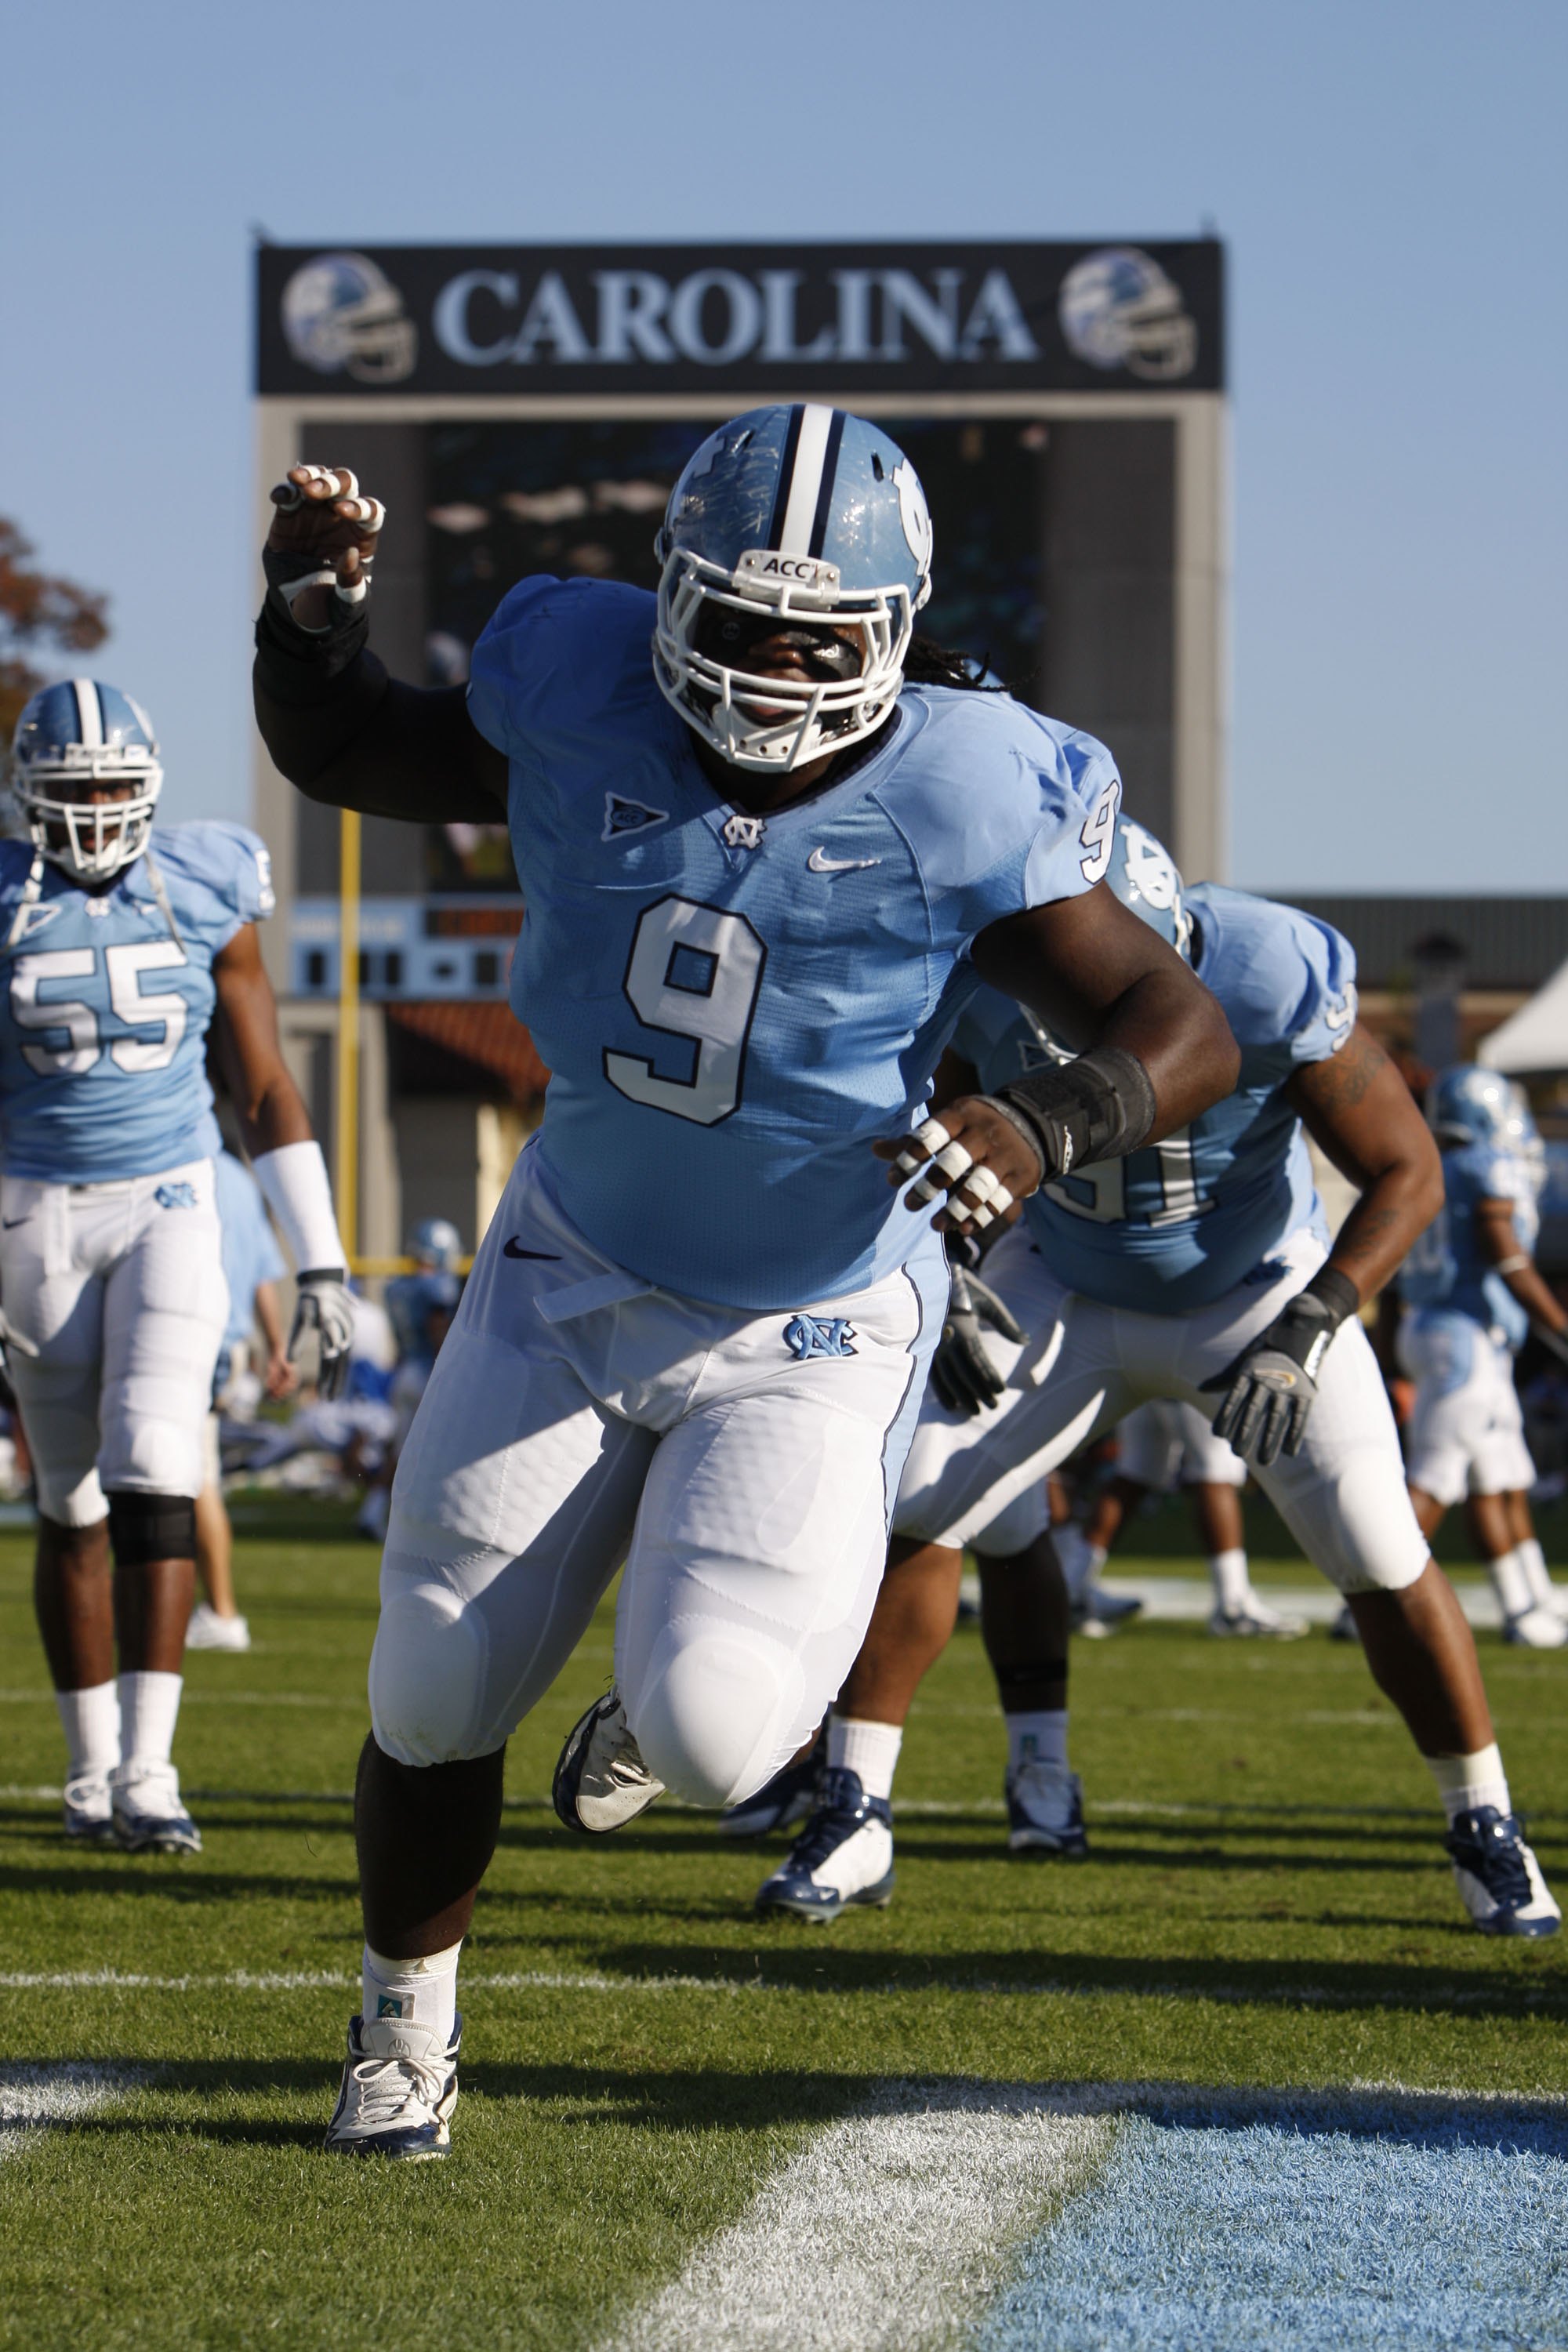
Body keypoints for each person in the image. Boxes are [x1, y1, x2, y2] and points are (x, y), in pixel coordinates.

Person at [252, 408, 1238, 2158]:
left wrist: (1043, 1115)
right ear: (664, 604)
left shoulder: (968, 783)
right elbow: (354, 753)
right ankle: (405, 2035)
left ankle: (652, 1709)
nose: (774, 671)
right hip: (574, 1259)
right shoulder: (579, 689)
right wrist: (309, 625)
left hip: (817, 1310)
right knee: (426, 1686)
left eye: (817, 635)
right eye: (737, 623)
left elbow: (1181, 1026)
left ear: (893, 628)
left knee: (712, 1738)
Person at [753, 819, 1559, 1941]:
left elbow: (1407, 1169)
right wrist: (942, 1272)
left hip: (1256, 1289)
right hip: (1067, 1282)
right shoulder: (989, 977)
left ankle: (1486, 1824)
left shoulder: (1272, 970)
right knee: (922, 1499)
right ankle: (856, 1805)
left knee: (1379, 1543)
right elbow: (910, 1130)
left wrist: (1316, 1319)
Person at [1, 681, 354, 1853]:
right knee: (70, 1497)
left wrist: (322, 1262)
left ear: (148, 789)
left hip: (171, 1194)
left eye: (113, 788)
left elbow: (258, 1083)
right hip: (33, 1206)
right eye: (73, 791)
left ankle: (151, 1772)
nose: (96, 812)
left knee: (157, 1457)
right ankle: (90, 1768)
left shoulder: (204, 880)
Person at [1394, 1065, 1568, 1646]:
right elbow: (1507, 1256)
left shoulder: (1431, 1166)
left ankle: (1528, 1603)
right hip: (1463, 1334)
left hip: (1446, 1329)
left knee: (1501, 1477)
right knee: (1435, 1479)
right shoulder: (1484, 1165)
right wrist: (1559, 1323)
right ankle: (1369, 1601)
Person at [1062, 1399, 1308, 1638]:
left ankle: (1072, 1590)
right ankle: (1233, 1604)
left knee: (1134, 1475)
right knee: (1216, 1473)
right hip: (1193, 1371)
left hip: (1144, 1372)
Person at [187, 1144, 297, 1652]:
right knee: (185, 1474)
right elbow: (261, 1278)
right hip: (226, 1341)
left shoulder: (174, 1157)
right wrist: (277, 1347)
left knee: (192, 1476)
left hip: (187, 1337)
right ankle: (209, 1608)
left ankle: (221, 1611)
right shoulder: (241, 1180)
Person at [356, 1219, 463, 1541]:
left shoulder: (398, 1287)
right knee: (440, 1450)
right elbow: (438, 1329)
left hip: (405, 1372)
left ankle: (373, 1513)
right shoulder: (438, 1287)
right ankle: (435, 1518)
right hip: (428, 1371)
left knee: (402, 1452)